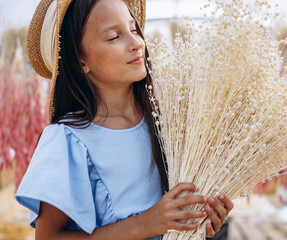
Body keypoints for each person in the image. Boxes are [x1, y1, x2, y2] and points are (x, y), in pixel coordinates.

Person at [15, 0, 234, 239]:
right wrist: (146, 224)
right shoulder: (67, 140)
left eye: (133, 29)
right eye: (113, 37)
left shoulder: (168, 125)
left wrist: (203, 218)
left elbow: (179, 212)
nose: (137, 43)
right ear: (80, 60)